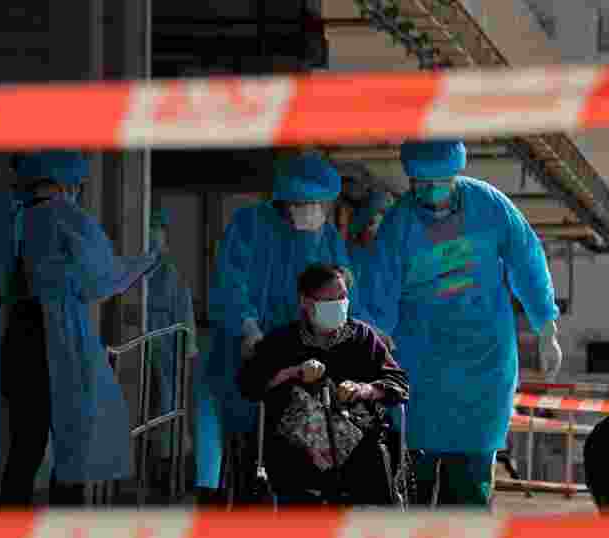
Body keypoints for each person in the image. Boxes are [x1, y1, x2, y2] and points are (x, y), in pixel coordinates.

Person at [359, 139, 563, 508]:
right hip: (421, 365)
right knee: (415, 486)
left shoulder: (490, 205)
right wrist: (370, 360)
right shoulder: (399, 223)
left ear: (456, 174)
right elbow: (378, 297)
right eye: (421, 183)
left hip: (483, 362)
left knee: (470, 487)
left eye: (440, 182)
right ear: (410, 181)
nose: (432, 192)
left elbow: (528, 262)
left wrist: (546, 328)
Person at [0, 150, 160, 505]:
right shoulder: (68, 218)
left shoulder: (2, 218)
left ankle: (6, 531)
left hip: (11, 335)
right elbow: (100, 280)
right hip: (59, 338)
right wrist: (146, 261)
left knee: (23, 444)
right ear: (66, 178)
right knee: (75, 441)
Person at [194, 151, 373, 503]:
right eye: (305, 203)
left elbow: (342, 285)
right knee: (248, 445)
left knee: (309, 444)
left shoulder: (326, 236)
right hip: (251, 349)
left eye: (320, 204)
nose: (313, 211)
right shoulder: (250, 226)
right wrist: (247, 327)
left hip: (306, 353)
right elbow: (231, 283)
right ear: (284, 201)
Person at [236, 263, 410, 505]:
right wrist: (293, 373)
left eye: (343, 298)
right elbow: (249, 385)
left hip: (359, 447)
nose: (340, 306)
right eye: (331, 300)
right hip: (296, 453)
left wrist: (364, 390)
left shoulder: (363, 338)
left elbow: (399, 384)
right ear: (306, 303)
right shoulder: (282, 342)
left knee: (372, 465)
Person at [145, 207, 199, 490]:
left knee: (169, 410)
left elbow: (184, 315)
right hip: (149, 350)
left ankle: (172, 474)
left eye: (157, 229)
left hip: (168, 350)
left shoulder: (170, 274)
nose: (154, 236)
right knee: (153, 412)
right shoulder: (140, 268)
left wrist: (188, 350)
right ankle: (160, 471)